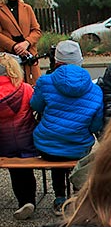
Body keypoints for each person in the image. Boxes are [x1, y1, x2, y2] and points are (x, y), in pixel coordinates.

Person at [31, 40, 103, 215]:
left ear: (56, 61)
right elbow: (95, 124)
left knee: (56, 150)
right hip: (78, 147)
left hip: (47, 146)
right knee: (74, 149)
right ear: (80, 61)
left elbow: (36, 105)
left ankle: (60, 198)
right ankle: (78, 194)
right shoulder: (95, 90)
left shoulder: (45, 82)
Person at [0, 52, 36, 219]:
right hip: (27, 142)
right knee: (25, 169)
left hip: (3, 145)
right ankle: (29, 200)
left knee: (15, 171)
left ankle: (23, 201)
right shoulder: (26, 89)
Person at [0, 0, 41, 84]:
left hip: (29, 57)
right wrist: (14, 46)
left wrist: (26, 43)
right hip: (8, 59)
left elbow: (36, 30)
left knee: (32, 89)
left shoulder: (27, 8)